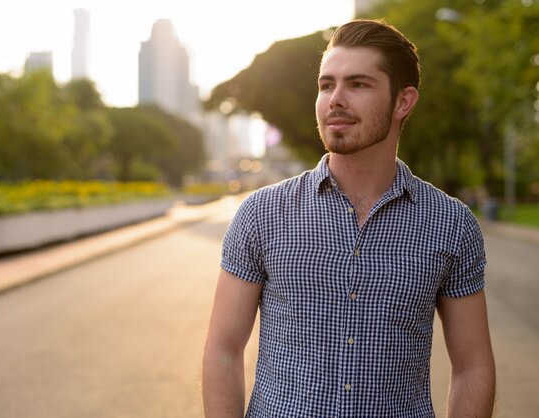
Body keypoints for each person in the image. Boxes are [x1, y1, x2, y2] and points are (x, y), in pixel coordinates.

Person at [202, 19, 496, 417]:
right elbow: (223, 349)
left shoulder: (451, 224)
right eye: (327, 85)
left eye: (358, 84)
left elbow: (473, 366)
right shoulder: (262, 213)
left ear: (403, 102)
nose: (335, 99)